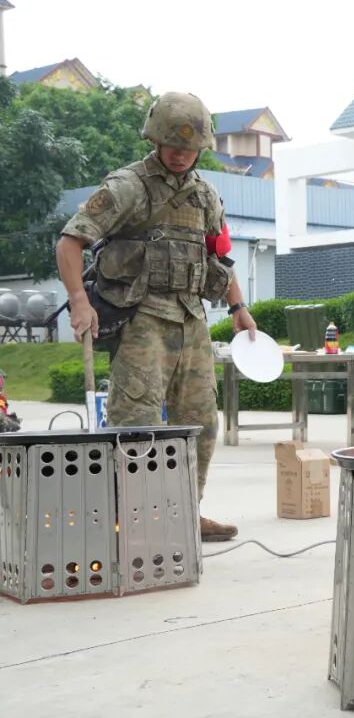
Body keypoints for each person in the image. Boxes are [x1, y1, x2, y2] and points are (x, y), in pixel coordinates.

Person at [55, 92, 257, 542]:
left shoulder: (205, 194)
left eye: (190, 147)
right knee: (138, 423)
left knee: (202, 423)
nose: (181, 154)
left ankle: (186, 511)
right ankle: (131, 520)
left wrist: (240, 308)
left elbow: (218, 258)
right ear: (155, 139)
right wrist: (78, 300)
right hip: (142, 319)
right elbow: (70, 242)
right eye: (172, 145)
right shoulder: (128, 187)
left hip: (192, 320)